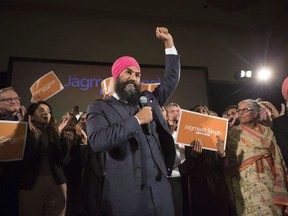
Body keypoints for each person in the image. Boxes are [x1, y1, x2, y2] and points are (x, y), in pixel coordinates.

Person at [86, 27, 180, 216]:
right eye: (128, 72)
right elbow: (98, 141)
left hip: (161, 189)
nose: (134, 78)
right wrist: (137, 120)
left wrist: (169, 44)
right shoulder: (99, 108)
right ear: (117, 76)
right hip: (127, 195)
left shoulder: (148, 99)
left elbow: (171, 79)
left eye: (137, 75)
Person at [225, 99, 288, 215]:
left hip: (269, 181)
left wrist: (272, 148)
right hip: (246, 183)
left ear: (256, 112)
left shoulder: (267, 132)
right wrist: (221, 153)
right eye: (239, 110)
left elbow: (278, 157)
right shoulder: (233, 134)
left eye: (245, 110)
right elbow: (229, 163)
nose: (241, 113)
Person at [179, 104, 229, 216]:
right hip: (198, 189)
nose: (201, 112)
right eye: (198, 110)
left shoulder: (217, 138)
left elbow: (224, 168)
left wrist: (222, 154)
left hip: (216, 188)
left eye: (204, 110)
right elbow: (183, 170)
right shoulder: (186, 139)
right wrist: (193, 155)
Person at [19, 101, 66, 216]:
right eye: (41, 110)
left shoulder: (54, 134)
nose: (46, 113)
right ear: (31, 116)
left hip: (55, 183)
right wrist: (36, 138)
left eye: (48, 111)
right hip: (31, 184)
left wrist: (61, 139)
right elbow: (22, 163)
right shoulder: (22, 134)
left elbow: (63, 160)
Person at [0, 87, 26, 216]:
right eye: (9, 99)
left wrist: (24, 123)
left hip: (22, 179)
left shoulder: (28, 120)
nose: (14, 101)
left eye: (16, 98)